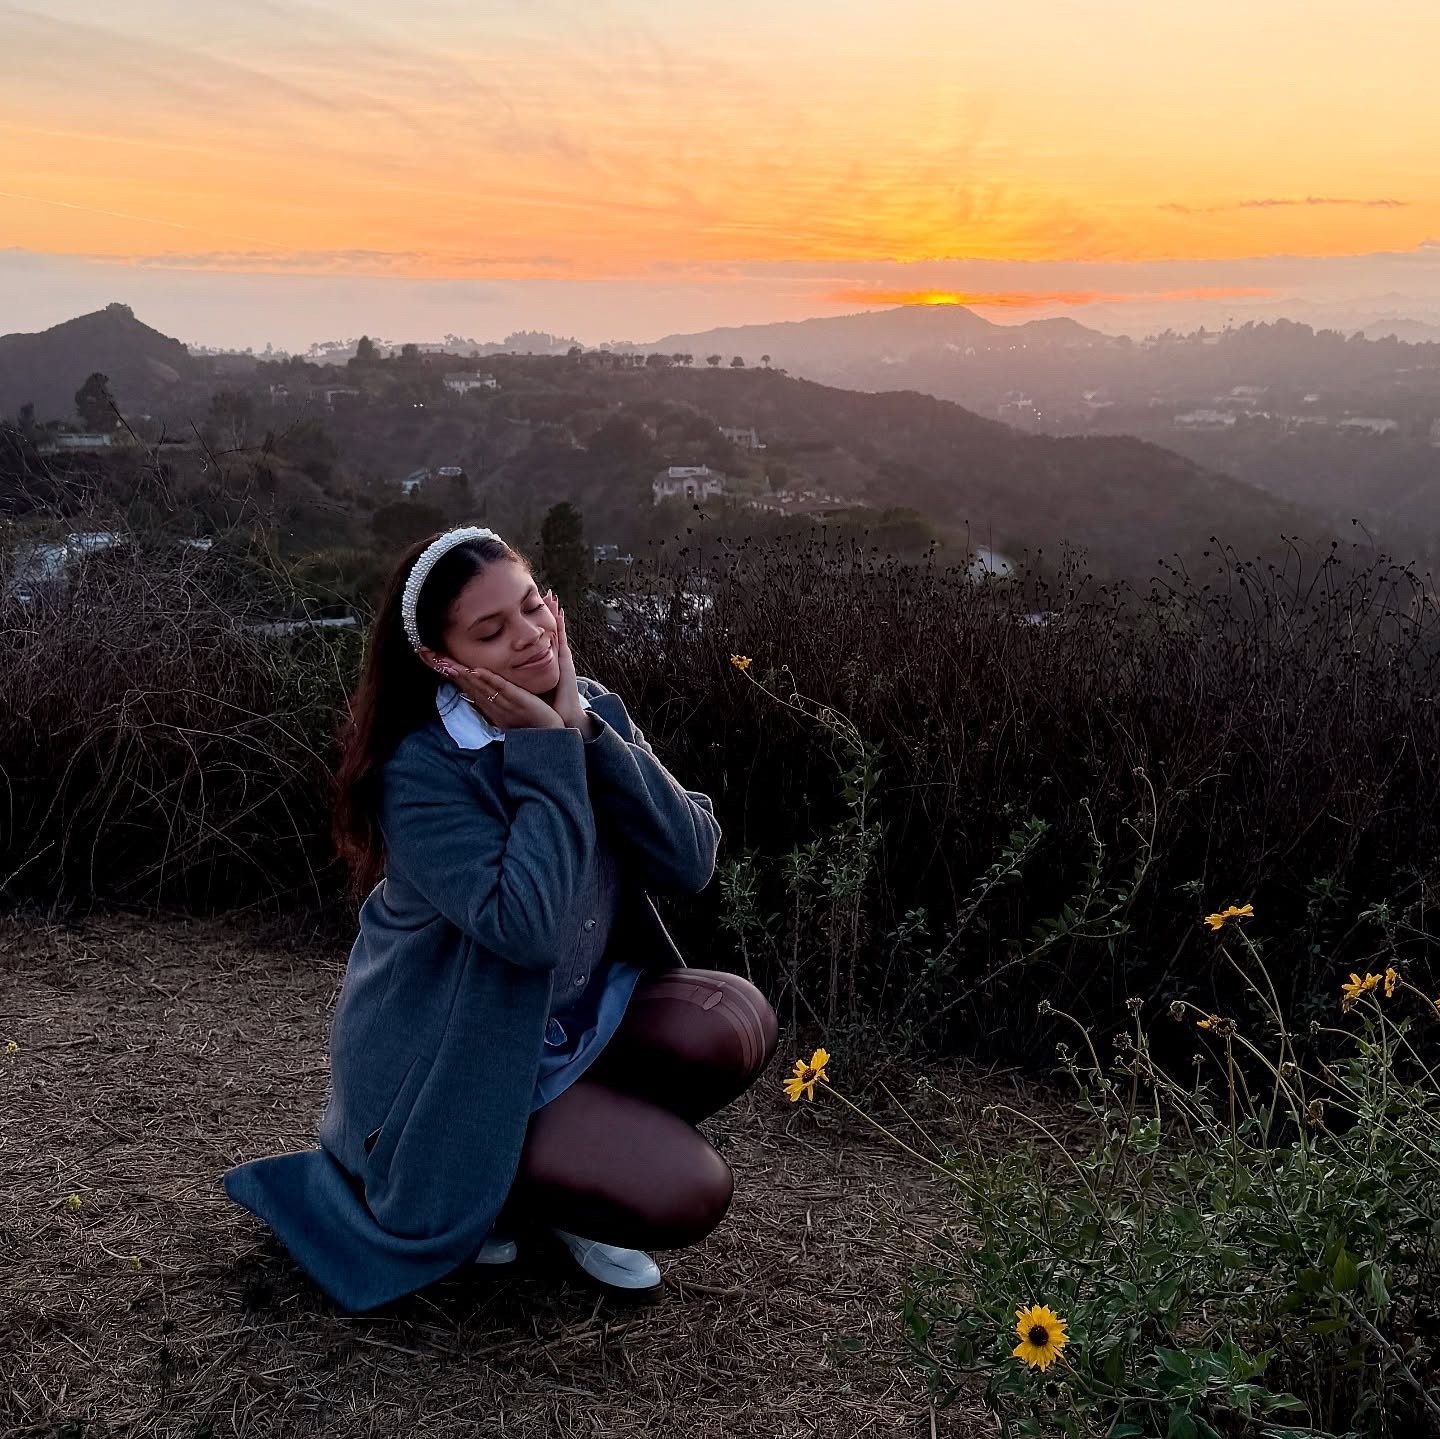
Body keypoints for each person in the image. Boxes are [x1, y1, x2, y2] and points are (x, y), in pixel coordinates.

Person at [224, 526, 777, 1313]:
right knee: (689, 1190)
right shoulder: (421, 771)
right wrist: (547, 750)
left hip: (562, 1026)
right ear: (442, 661)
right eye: (491, 631)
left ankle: (563, 1183)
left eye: (531, 608)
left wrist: (586, 729)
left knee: (736, 1020)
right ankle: (504, 1189)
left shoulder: (582, 708)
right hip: (453, 1065)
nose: (528, 637)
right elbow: (530, 930)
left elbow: (692, 858)